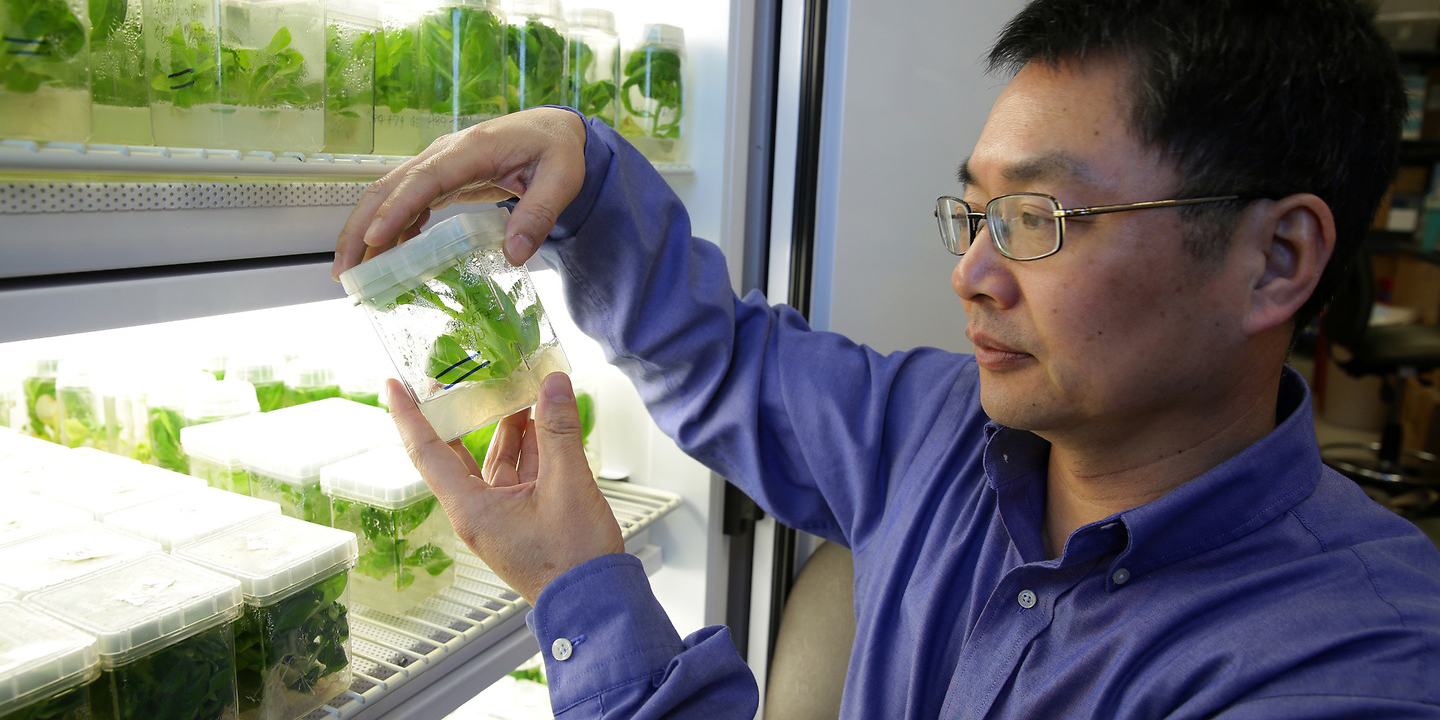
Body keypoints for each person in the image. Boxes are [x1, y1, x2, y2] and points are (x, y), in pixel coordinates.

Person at [334, 0, 1440, 717]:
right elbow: (722, 358)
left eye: (1039, 218)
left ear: (1277, 259)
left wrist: (582, 593)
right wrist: (583, 166)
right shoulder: (943, 427)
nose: (972, 275)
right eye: (971, 214)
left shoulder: (1350, 671)